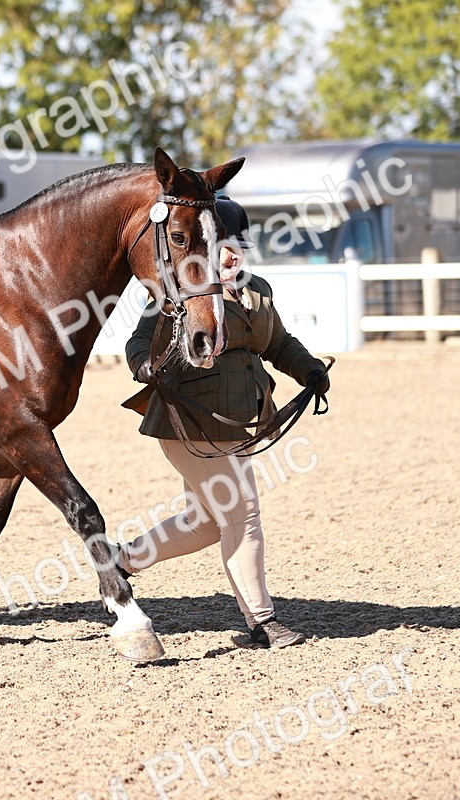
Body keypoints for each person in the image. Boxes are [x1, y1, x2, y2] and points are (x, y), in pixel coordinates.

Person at [118, 196, 329, 649]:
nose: (232, 257)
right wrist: (143, 366)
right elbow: (138, 342)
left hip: (237, 421)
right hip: (189, 422)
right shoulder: (179, 293)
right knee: (243, 514)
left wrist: (309, 369)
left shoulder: (257, 290)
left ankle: (120, 563)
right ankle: (263, 622)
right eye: (222, 249)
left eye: (239, 248)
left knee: (205, 523)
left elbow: (277, 342)